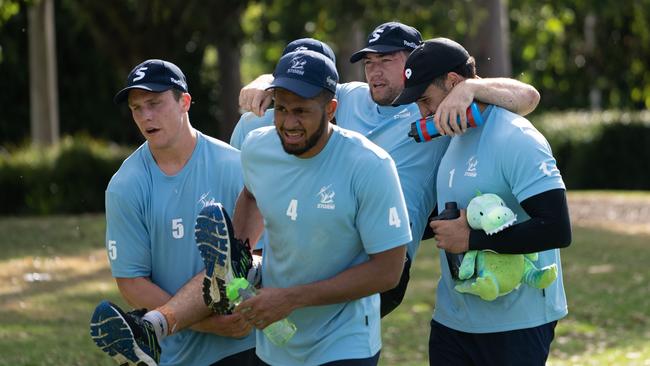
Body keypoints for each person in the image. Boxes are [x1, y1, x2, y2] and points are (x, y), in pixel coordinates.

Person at [237, 21, 541, 316]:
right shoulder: (347, 96)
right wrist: (265, 81)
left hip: (386, 255)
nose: (375, 71)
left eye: (386, 60)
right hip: (334, 239)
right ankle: (251, 275)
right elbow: (302, 86)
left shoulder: (433, 103)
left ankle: (253, 275)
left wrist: (471, 87)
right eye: (369, 62)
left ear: (415, 61)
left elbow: (528, 97)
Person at [392, 38, 572, 366]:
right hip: (452, 322)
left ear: (454, 84)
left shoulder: (516, 138)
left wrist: (472, 238)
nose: (423, 112)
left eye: (425, 100)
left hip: (518, 324)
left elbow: (557, 229)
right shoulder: (449, 139)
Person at [231, 48, 412, 366]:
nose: (289, 123)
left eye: (301, 111)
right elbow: (250, 195)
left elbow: (388, 271)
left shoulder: (370, 165)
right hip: (275, 340)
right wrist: (240, 254)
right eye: (281, 109)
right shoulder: (257, 147)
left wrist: (290, 299)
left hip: (345, 342)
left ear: (330, 109)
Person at [88, 59, 258, 366]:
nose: (145, 116)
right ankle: (149, 333)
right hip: (173, 354)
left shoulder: (235, 166)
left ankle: (148, 329)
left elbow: (259, 251)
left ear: (185, 102)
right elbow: (131, 282)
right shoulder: (125, 186)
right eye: (136, 108)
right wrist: (205, 322)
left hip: (243, 347)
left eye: (154, 103)